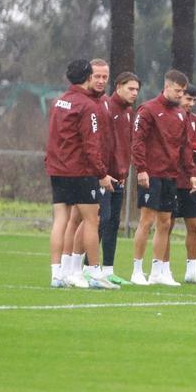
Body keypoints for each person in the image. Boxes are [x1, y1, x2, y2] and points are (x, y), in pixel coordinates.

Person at [46, 59, 117, 289]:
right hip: (79, 170)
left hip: (57, 168)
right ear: (88, 77)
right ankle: (95, 273)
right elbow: (91, 144)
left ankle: (57, 274)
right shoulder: (89, 106)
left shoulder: (59, 102)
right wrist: (102, 173)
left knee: (61, 220)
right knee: (91, 219)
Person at [131, 69, 196, 286]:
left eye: (183, 92)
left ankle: (157, 271)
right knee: (146, 221)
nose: (180, 95)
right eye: (178, 91)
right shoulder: (148, 109)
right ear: (167, 87)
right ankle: (137, 270)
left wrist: (191, 174)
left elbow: (185, 147)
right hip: (151, 174)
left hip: (171, 175)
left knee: (165, 223)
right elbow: (138, 141)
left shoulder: (180, 114)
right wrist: (141, 169)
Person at [100, 70, 140, 285]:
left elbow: (127, 144)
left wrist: (123, 172)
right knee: (101, 220)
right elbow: (103, 144)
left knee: (113, 223)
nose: (134, 93)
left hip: (119, 176)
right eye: (130, 88)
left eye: (136, 89)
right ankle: (90, 268)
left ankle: (107, 269)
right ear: (118, 87)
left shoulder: (128, 111)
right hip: (104, 176)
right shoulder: (106, 107)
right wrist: (103, 172)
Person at [169, 86, 196, 285]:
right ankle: (162, 269)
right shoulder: (170, 116)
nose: (190, 104)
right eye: (188, 99)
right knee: (166, 224)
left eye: (194, 100)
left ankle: (191, 271)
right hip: (170, 178)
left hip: (189, 180)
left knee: (193, 225)